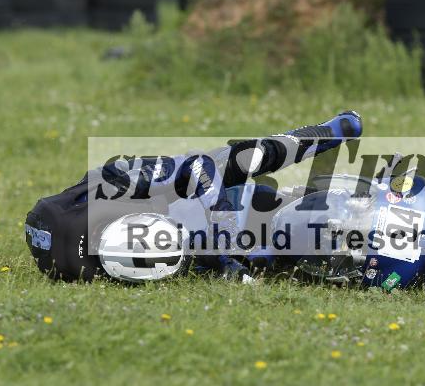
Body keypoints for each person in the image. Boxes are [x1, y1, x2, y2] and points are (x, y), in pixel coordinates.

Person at [25, 112, 362, 282]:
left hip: (204, 192)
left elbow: (197, 165)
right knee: (282, 259)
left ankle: (332, 130)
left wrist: (223, 232)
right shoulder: (108, 269)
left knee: (244, 159)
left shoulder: (114, 185)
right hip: (240, 238)